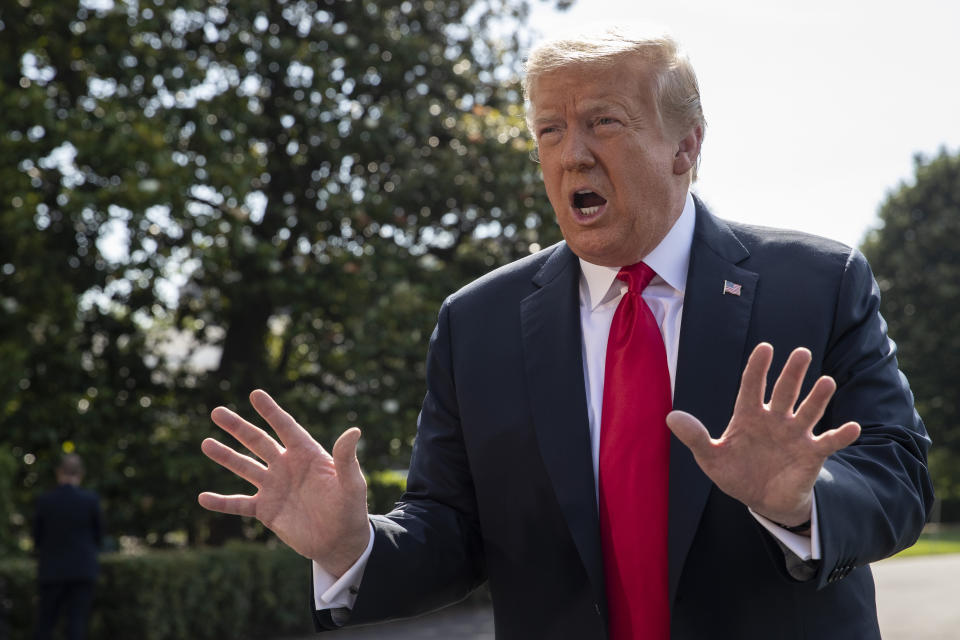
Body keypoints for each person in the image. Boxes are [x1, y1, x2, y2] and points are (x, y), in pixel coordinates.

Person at [198, 27, 934, 639]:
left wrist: (800, 502)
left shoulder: (817, 283)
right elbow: (451, 528)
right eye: (550, 129)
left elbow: (900, 480)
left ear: (686, 148)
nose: (571, 153)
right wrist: (353, 547)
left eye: (603, 122)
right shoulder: (476, 323)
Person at [33, 453, 103, 640]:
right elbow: (99, 536)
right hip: (82, 570)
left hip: (51, 570)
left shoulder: (45, 501)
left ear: (58, 473)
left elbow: (37, 538)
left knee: (45, 623)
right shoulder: (90, 500)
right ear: (81, 474)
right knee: (77, 624)